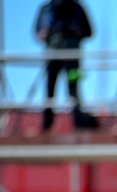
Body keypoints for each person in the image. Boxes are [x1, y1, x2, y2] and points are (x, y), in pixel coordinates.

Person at [34, 0, 93, 131]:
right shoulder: (46, 8)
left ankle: (78, 123)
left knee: (74, 89)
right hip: (52, 57)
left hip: (73, 59)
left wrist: (77, 31)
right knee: (50, 89)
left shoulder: (78, 7)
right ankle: (47, 126)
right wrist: (44, 33)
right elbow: (37, 31)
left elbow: (89, 31)